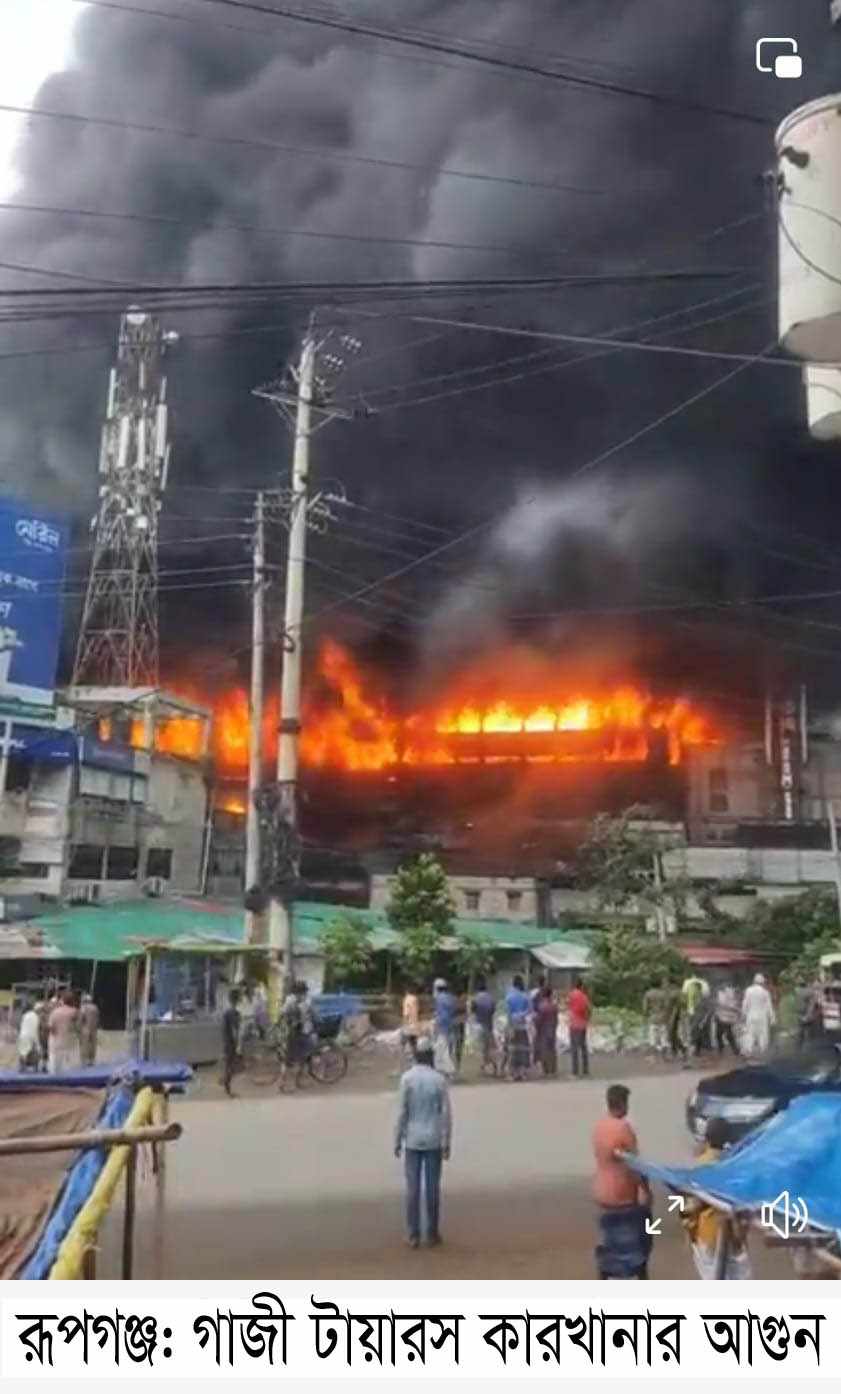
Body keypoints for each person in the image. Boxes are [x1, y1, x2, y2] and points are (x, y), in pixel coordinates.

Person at [394, 1035, 452, 1249]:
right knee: (432, 1188)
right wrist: (447, 1141)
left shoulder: (407, 1079)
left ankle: (413, 1234)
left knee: (413, 1188)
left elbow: (402, 1111)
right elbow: (445, 1114)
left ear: (416, 1055)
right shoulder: (439, 1080)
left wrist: (396, 1139)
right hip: (434, 1138)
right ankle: (432, 1232)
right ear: (431, 1056)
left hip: (412, 1138)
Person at [592, 1084, 653, 1279]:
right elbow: (635, 1164)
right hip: (622, 1196)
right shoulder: (623, 1128)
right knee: (641, 1243)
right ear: (623, 1104)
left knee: (608, 1244)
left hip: (602, 1193)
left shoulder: (600, 1127)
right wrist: (646, 1189)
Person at [680, 1117, 752, 1279]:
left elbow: (691, 1206)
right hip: (734, 1235)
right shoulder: (733, 1163)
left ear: (707, 1139)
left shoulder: (701, 1164)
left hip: (708, 1233)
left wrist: (689, 1231)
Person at [504, 975, 532, 1082]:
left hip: (512, 1025)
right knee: (523, 1050)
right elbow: (529, 1010)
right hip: (523, 1026)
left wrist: (510, 1024)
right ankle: (522, 1073)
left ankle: (512, 1073)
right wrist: (521, 1015)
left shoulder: (509, 996)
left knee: (512, 1050)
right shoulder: (525, 996)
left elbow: (507, 1013)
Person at [741, 973, 775, 1057]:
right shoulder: (765, 992)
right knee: (763, 1034)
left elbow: (745, 1004)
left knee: (750, 1034)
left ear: (754, 981)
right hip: (762, 1016)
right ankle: (762, 1051)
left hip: (751, 1015)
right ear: (762, 982)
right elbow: (769, 1006)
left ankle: (749, 1051)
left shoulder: (748, 990)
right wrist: (772, 1018)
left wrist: (743, 1015)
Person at [48, 992, 78, 1075]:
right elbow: (77, 1026)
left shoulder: (54, 1012)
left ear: (62, 1000)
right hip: (68, 1042)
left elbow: (51, 1027)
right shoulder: (74, 1012)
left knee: (53, 1065)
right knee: (67, 1067)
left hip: (55, 1041)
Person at [432, 980, 458, 1076]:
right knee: (445, 1048)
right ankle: (442, 1069)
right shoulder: (451, 998)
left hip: (442, 1026)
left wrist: (436, 1024)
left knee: (442, 1049)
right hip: (450, 1025)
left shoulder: (439, 998)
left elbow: (440, 1014)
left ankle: (449, 1070)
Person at [567, 977, 592, 1079]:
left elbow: (568, 1005)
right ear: (581, 986)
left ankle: (575, 1072)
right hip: (582, 1024)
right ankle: (585, 1070)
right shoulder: (584, 996)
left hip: (574, 1024)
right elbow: (589, 1009)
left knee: (574, 1049)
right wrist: (587, 1018)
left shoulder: (571, 995)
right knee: (583, 1047)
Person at [470, 978, 496, 1073]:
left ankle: (485, 1065)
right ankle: (490, 1065)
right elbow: (493, 1010)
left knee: (481, 1047)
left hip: (479, 1024)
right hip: (489, 1024)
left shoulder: (475, 998)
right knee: (488, 1046)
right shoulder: (491, 997)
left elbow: (473, 1010)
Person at [534, 985, 559, 1077]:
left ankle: (546, 1070)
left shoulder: (542, 1006)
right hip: (552, 1030)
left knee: (544, 1051)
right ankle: (553, 1070)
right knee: (552, 1051)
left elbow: (539, 1020)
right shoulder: (554, 1006)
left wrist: (536, 1024)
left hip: (543, 1031)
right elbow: (556, 1020)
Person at [221, 988, 241, 1097]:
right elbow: (234, 1030)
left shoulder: (227, 1012)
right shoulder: (233, 1013)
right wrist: (238, 1045)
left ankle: (226, 1083)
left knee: (229, 1065)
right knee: (230, 1066)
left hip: (226, 1041)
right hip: (231, 1043)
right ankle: (227, 1087)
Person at [642, 979, 669, 1057]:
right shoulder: (663, 994)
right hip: (662, 1016)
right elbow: (666, 1006)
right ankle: (664, 1050)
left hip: (653, 1016)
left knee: (653, 1034)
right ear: (659, 985)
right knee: (663, 1034)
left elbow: (645, 1007)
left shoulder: (648, 994)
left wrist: (645, 1014)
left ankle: (653, 1053)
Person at [714, 983, 741, 1056]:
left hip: (726, 1017)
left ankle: (734, 1050)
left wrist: (736, 1010)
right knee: (719, 1034)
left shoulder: (728, 993)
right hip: (721, 1016)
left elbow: (728, 1004)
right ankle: (722, 1048)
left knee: (727, 1034)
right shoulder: (721, 993)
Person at [796, 978, 822, 1049]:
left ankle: (800, 1043)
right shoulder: (809, 992)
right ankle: (808, 1043)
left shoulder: (798, 991)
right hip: (807, 1012)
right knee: (808, 1028)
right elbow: (813, 1003)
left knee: (801, 1028)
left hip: (800, 1011)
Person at [17, 998, 40, 1072]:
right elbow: (37, 1028)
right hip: (32, 1035)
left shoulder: (25, 1015)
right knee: (36, 1051)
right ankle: (35, 1068)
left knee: (23, 1052)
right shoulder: (36, 1016)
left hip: (23, 1035)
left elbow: (20, 1026)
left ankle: (22, 1068)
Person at [78, 993, 100, 1067]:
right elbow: (97, 1018)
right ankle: (92, 1060)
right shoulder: (95, 1007)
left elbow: (81, 1018)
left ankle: (84, 1060)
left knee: (84, 1045)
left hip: (85, 1028)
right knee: (93, 1045)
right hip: (94, 1029)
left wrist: (79, 1028)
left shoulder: (83, 1008)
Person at [401, 984, 420, 1063]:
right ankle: (415, 1058)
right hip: (415, 1023)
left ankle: (408, 1059)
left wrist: (404, 1023)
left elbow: (406, 1013)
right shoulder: (415, 999)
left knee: (404, 1042)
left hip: (409, 1023)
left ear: (406, 991)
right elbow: (418, 1010)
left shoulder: (407, 999)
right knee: (414, 1043)